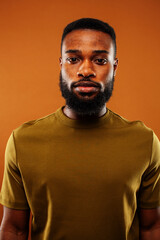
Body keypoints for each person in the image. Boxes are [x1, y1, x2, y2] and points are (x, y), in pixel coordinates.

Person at [0, 18, 159, 240]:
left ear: (114, 67)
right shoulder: (22, 141)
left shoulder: (145, 141)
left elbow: (152, 228)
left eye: (100, 60)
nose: (85, 70)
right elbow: (14, 230)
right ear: (61, 64)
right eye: (73, 59)